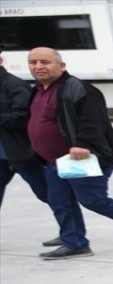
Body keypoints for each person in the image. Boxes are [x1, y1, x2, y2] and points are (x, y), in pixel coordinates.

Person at [26, 47, 113, 259]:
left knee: (93, 199)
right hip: (55, 161)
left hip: (81, 158)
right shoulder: (37, 89)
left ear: (62, 66)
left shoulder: (78, 88)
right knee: (59, 200)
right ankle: (75, 243)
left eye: (45, 62)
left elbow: (94, 120)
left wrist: (83, 143)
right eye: (33, 62)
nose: (38, 67)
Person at [0, 50, 56, 235]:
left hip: (22, 153)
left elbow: (24, 117)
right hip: (2, 156)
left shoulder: (14, 85)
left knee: (48, 194)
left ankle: (71, 234)